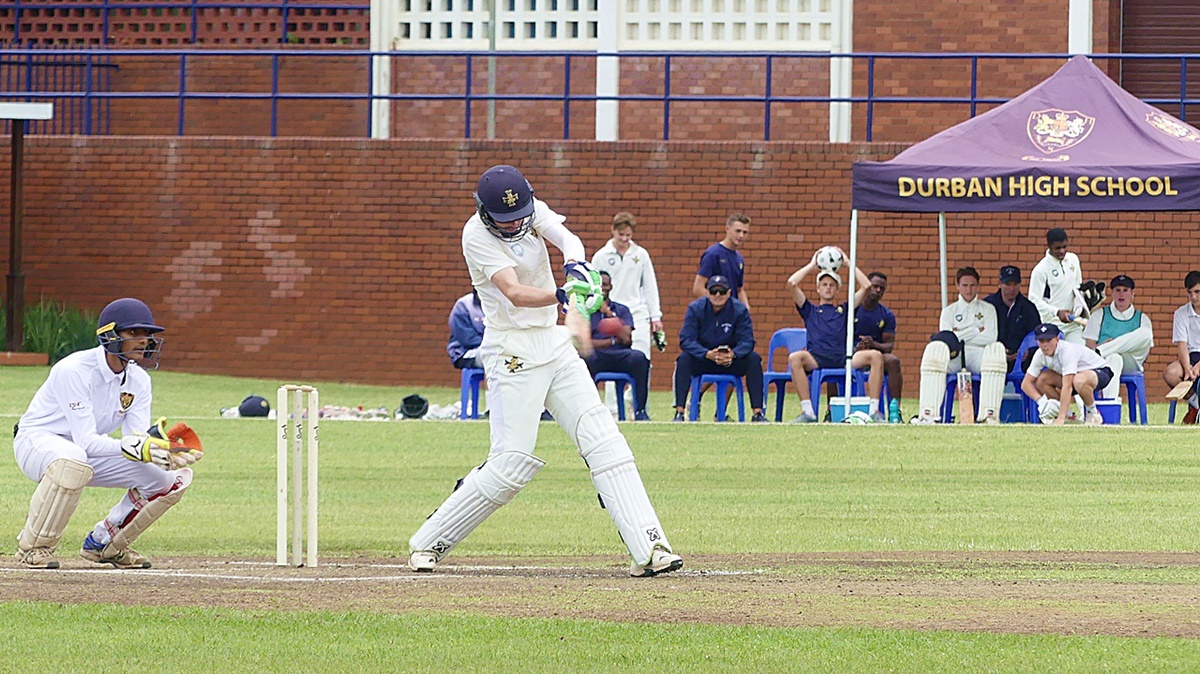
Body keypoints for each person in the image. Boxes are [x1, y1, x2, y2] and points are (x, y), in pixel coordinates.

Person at [407, 164, 681, 578]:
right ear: (485, 214)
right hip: (511, 349)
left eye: (520, 215)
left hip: (552, 343)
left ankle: (651, 547)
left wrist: (576, 267)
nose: (516, 224)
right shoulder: (475, 236)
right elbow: (515, 292)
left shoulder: (531, 211)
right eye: (506, 219)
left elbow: (567, 238)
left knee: (603, 439)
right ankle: (429, 541)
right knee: (510, 463)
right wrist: (561, 293)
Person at [12, 298, 198, 569]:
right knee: (72, 460)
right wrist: (138, 447)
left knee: (169, 481)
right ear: (110, 335)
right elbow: (86, 440)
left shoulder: (139, 380)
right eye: (133, 333)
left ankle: (105, 544)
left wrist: (162, 452)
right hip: (37, 442)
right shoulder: (74, 370)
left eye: (146, 334)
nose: (143, 340)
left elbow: (135, 437)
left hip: (86, 451)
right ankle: (34, 547)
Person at [785, 249, 886, 423]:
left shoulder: (845, 310)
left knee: (876, 356)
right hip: (816, 358)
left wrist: (848, 263)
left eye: (832, 285)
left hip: (844, 358)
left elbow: (867, 286)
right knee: (795, 358)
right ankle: (808, 412)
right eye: (824, 284)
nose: (828, 288)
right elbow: (791, 283)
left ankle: (873, 411)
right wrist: (811, 265)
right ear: (818, 288)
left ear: (837, 289)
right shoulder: (810, 310)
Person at [590, 212, 663, 417]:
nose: (624, 239)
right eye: (621, 235)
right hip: (611, 313)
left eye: (628, 236)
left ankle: (639, 407)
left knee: (641, 360)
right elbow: (593, 287)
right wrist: (601, 308)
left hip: (637, 314)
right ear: (613, 231)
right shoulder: (601, 256)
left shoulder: (641, 255)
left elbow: (650, 286)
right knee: (614, 358)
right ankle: (613, 410)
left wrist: (655, 317)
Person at [912, 267, 1006, 424]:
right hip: (955, 356)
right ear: (957, 286)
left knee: (996, 351)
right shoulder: (949, 311)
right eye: (965, 285)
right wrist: (976, 330)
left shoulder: (988, 309)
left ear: (978, 286)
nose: (969, 289)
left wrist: (959, 333)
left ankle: (989, 416)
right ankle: (928, 415)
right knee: (935, 350)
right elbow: (948, 340)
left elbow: (990, 337)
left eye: (972, 285)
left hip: (978, 356)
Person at [672, 274, 767, 423]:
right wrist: (706, 354)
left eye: (722, 292)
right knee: (684, 359)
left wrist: (733, 354)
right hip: (704, 359)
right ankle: (679, 413)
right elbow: (686, 340)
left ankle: (757, 413)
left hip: (730, 361)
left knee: (753, 359)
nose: (718, 295)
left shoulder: (739, 310)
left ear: (729, 293)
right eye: (713, 291)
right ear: (707, 292)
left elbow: (748, 341)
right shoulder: (695, 309)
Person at [583, 272, 651, 421]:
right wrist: (612, 342)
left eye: (605, 285)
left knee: (639, 358)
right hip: (597, 356)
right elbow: (586, 343)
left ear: (611, 287)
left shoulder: (622, 310)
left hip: (620, 355)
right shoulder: (586, 311)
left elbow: (627, 340)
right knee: (585, 358)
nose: (602, 289)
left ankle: (640, 410)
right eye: (599, 286)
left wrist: (608, 314)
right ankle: (588, 411)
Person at [1022, 323, 1113, 426]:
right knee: (1043, 379)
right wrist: (1041, 402)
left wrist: (1060, 419)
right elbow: (1025, 384)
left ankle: (1093, 413)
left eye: (1048, 340)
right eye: (1041, 341)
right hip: (1076, 377)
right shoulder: (1039, 354)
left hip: (1100, 371)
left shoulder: (1067, 351)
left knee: (1079, 380)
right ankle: (1069, 416)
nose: (1045, 345)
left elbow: (1067, 386)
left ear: (1057, 339)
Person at [1083, 274, 1153, 400]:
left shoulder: (1142, 318)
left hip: (1132, 360)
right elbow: (1089, 349)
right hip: (1106, 361)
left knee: (1146, 333)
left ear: (1132, 294)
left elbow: (1145, 346)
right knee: (1114, 357)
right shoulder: (1099, 315)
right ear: (1112, 293)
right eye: (1118, 290)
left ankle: (1105, 349)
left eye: (1125, 291)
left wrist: (1107, 347)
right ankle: (1110, 403)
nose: (1121, 294)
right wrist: (1101, 348)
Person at [854, 271, 903, 415]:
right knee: (832, 360)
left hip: (876, 357)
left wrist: (873, 344)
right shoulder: (851, 309)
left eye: (882, 288)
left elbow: (889, 346)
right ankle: (831, 410)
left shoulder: (886, 315)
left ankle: (895, 410)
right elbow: (838, 337)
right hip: (851, 355)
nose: (878, 291)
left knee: (893, 361)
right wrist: (855, 348)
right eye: (875, 286)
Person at [1029, 227, 1086, 344]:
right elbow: (1034, 300)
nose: (1062, 251)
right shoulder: (1041, 270)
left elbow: (1077, 287)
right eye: (1057, 248)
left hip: (1073, 323)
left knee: (1079, 356)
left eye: (1064, 247)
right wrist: (1057, 312)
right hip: (1052, 325)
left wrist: (1083, 304)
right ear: (1049, 246)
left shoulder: (1073, 259)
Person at [984, 265, 1042, 370]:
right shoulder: (987, 305)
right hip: (992, 358)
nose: (1012, 289)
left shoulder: (1028, 308)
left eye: (1015, 284)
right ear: (999, 284)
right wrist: (998, 352)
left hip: (1022, 361)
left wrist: (1028, 351)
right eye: (1008, 284)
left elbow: (1037, 335)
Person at [692, 213, 752, 310]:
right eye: (738, 231)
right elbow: (698, 288)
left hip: (733, 317)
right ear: (727, 229)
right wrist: (719, 303)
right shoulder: (713, 254)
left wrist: (746, 308)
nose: (741, 235)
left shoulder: (739, 259)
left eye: (745, 232)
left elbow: (739, 290)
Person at [1164, 270, 1200, 424]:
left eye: (1198, 292)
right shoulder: (1181, 313)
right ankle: (1196, 405)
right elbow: (1182, 344)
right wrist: (1187, 369)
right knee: (1171, 373)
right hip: (1192, 356)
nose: (1193, 297)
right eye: (1190, 293)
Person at [447, 289, 485, 369]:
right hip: (464, 353)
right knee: (494, 358)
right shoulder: (463, 305)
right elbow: (467, 339)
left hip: (492, 349)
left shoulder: (498, 305)